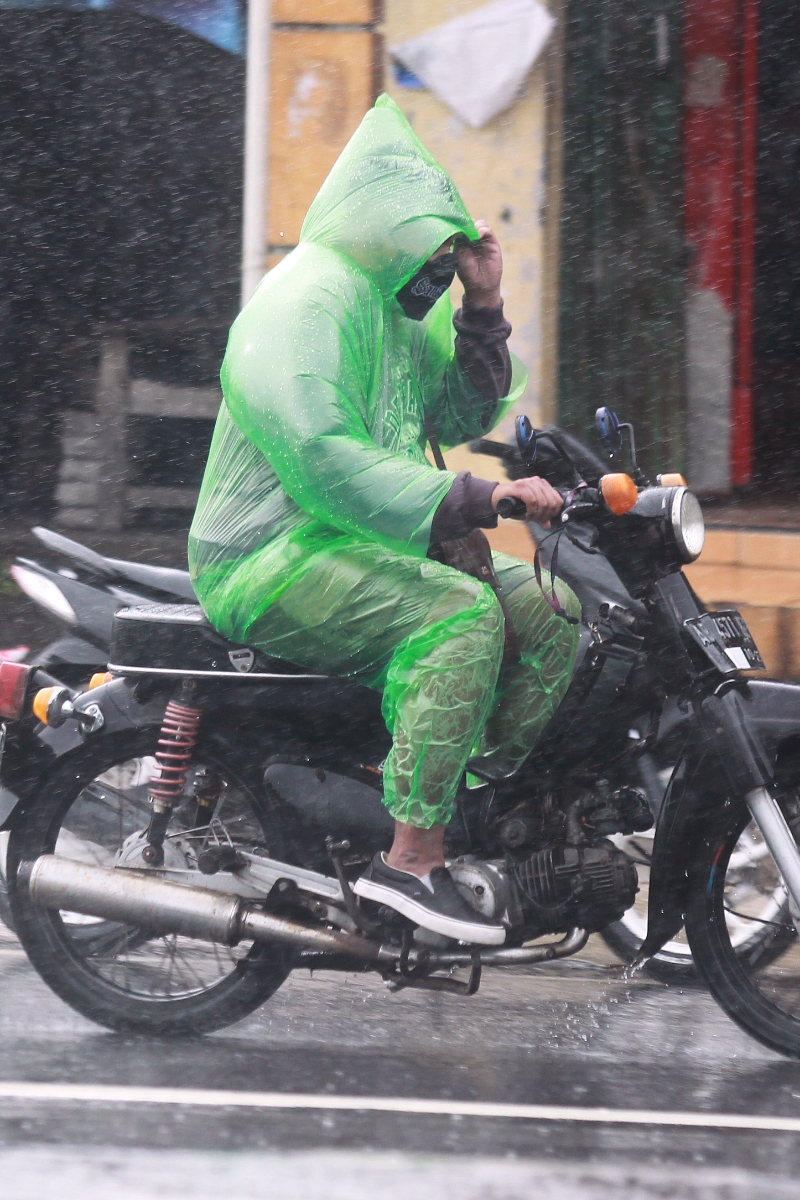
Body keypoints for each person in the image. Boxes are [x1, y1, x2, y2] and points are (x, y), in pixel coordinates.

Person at [189, 95, 580, 946]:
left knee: (552, 610)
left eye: (448, 251)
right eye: (432, 251)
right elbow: (322, 455)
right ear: (380, 230)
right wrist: (473, 501)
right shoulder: (306, 304)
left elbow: (452, 412)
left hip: (365, 543)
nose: (439, 267)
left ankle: (462, 811)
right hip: (273, 558)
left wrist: (483, 303)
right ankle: (407, 860)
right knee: (461, 618)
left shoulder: (395, 309)